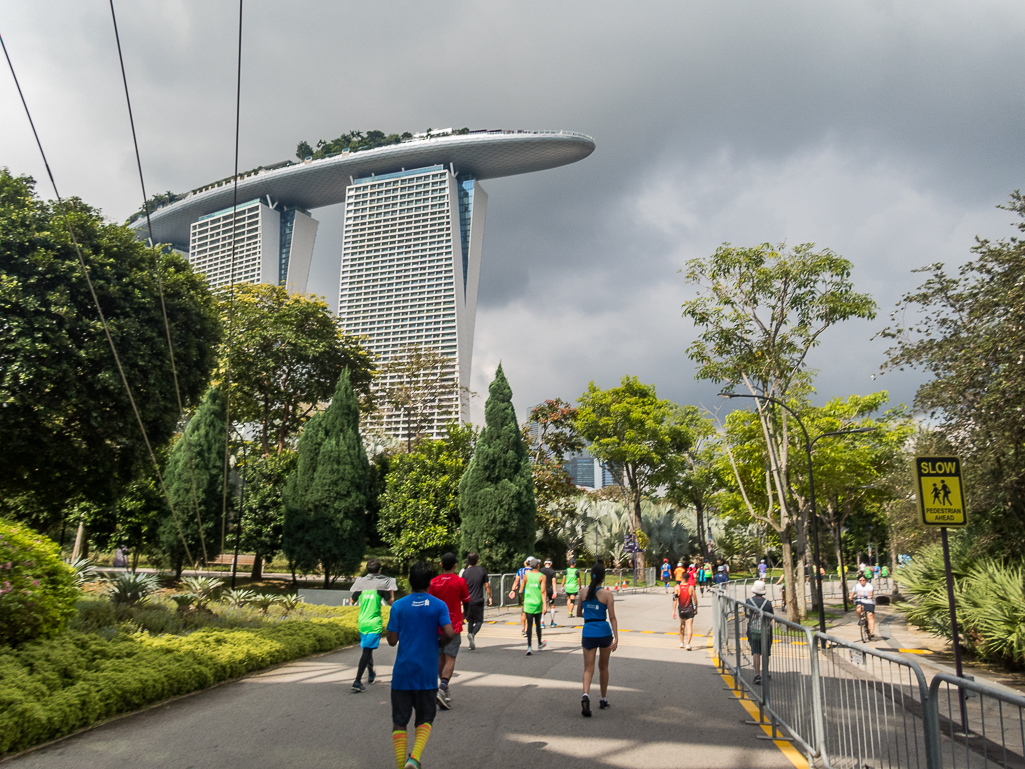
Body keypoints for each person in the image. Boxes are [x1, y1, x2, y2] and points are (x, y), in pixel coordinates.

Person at [387, 561, 455, 769]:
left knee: (400, 721)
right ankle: (414, 759)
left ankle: (401, 765)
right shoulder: (437, 605)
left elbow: (391, 640)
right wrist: (439, 643)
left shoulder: (398, 605)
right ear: (430, 583)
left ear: (409, 581)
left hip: (402, 674)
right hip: (426, 675)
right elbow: (450, 633)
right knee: (425, 719)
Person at [428, 552, 470, 709]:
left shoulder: (433, 582)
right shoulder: (460, 582)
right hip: (453, 626)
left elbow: (429, 603)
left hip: (436, 626)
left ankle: (443, 688)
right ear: (455, 565)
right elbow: (466, 602)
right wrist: (465, 616)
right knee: (451, 658)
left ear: (441, 565)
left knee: (440, 656)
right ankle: (443, 688)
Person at [577, 559, 618, 716]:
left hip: (588, 632)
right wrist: (616, 637)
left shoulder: (583, 593)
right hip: (604, 632)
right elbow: (612, 617)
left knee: (588, 668)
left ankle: (585, 695)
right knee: (604, 667)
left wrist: (589, 613)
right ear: (603, 578)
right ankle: (603, 699)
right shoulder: (607, 594)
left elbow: (578, 613)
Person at [350, 558, 394, 693]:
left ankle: (371, 674)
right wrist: (391, 590)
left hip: (362, 622)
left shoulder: (361, 585)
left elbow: (352, 600)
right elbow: (391, 602)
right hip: (374, 623)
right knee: (367, 651)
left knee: (368, 650)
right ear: (379, 571)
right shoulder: (381, 585)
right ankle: (357, 681)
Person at [517, 557, 548, 655]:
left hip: (528, 603)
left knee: (529, 625)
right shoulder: (542, 576)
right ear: (538, 566)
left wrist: (522, 599)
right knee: (538, 624)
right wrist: (544, 605)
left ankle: (529, 647)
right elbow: (543, 591)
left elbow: (521, 590)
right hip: (537, 602)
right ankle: (539, 643)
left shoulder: (526, 575)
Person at [461, 552, 491, 651]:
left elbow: (463, 587)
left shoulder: (465, 572)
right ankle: (472, 634)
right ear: (477, 560)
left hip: (468, 600)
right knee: (479, 621)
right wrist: (489, 596)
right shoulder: (482, 571)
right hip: (478, 599)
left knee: (470, 620)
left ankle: (471, 643)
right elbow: (487, 585)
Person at [745, 580, 773, 685]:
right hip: (766, 630)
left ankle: (757, 674)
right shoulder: (768, 603)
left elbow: (746, 615)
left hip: (753, 629)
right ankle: (765, 672)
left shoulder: (748, 601)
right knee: (766, 651)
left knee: (756, 651)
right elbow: (771, 617)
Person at [673, 571, 697, 649]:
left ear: (681, 578)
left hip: (681, 609)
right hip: (689, 609)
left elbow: (675, 599)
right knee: (689, 626)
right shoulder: (691, 587)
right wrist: (696, 607)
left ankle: (681, 642)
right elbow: (695, 599)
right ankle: (688, 644)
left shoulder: (677, 587)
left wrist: (673, 610)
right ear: (688, 579)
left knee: (682, 625)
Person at [509, 559, 531, 636]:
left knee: (523, 611)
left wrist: (512, 590)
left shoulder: (520, 570)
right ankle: (527, 629)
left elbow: (516, 581)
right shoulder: (534, 571)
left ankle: (523, 629)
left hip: (522, 592)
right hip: (531, 592)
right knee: (529, 612)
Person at [851, 573, 876, 639]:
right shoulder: (856, 586)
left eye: (863, 580)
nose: (862, 582)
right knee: (858, 608)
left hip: (868, 602)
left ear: (866, 580)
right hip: (860, 600)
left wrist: (869, 596)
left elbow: (871, 594)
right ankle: (860, 619)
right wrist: (850, 597)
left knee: (870, 615)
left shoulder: (869, 586)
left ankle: (871, 632)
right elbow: (852, 593)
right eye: (860, 580)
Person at [540, 558, 558, 628]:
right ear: (551, 564)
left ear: (544, 563)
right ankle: (552, 622)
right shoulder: (552, 571)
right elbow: (554, 582)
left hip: (542, 589)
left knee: (542, 605)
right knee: (552, 605)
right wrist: (555, 592)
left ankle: (542, 622)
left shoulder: (541, 570)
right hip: (550, 589)